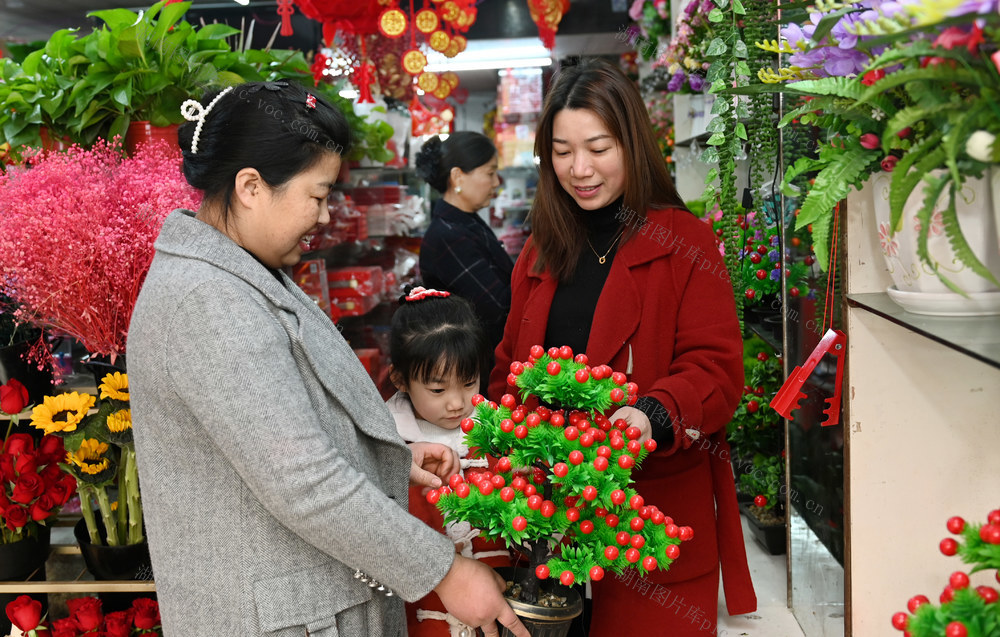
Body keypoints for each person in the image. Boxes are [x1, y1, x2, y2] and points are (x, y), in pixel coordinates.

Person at [127, 80, 528, 637]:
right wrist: (446, 571)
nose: (323, 217)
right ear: (250, 187)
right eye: (316, 196)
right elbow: (304, 482)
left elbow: (279, 438)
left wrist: (388, 462)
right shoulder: (209, 302)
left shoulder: (241, 271)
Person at [488, 58, 757, 635]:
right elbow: (508, 367)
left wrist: (652, 415)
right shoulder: (541, 248)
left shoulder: (683, 241)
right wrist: (503, 446)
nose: (579, 169)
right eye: (562, 151)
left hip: (646, 516)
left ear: (631, 144)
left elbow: (715, 369)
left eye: (598, 148)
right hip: (545, 521)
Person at [385, 286, 512, 637]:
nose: (457, 403)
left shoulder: (500, 433)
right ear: (400, 380)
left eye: (469, 383)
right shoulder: (389, 446)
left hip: (501, 594)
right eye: (438, 390)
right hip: (424, 612)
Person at [414, 132, 513, 378]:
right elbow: (499, 307)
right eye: (490, 173)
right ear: (458, 176)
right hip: (475, 371)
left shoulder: (465, 222)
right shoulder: (449, 236)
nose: (496, 182)